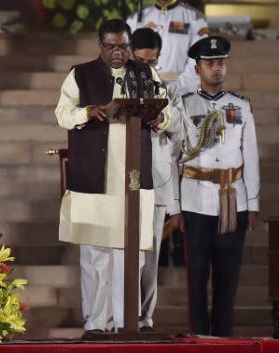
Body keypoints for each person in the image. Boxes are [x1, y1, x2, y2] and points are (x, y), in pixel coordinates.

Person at [55, 19, 171, 336]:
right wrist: (87, 112)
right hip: (95, 177)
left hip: (132, 177)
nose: (117, 53)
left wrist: (160, 117)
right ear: (100, 45)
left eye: (122, 46)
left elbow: (167, 109)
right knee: (95, 253)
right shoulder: (80, 74)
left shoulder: (145, 73)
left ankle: (125, 321)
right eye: (111, 46)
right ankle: (96, 323)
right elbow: (62, 113)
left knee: (129, 252)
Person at [180, 36, 259, 336]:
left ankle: (224, 338)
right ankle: (200, 337)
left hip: (232, 202)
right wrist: (175, 208)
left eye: (221, 62)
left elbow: (249, 156)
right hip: (196, 202)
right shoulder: (185, 106)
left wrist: (252, 205)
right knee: (197, 278)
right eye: (210, 63)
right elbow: (176, 157)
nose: (217, 68)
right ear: (197, 68)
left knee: (228, 278)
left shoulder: (240, 106)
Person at [131, 27, 185, 331]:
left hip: (158, 179)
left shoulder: (169, 88)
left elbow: (181, 126)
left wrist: (162, 119)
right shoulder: (118, 85)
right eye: (140, 61)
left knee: (150, 252)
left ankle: (145, 316)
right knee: (127, 253)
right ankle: (120, 313)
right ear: (130, 56)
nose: (146, 68)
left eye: (152, 62)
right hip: (124, 179)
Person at [126, 0, 210, 94]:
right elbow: (127, 59)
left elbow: (198, 60)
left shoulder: (194, 18)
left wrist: (174, 90)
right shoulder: (134, 19)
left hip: (180, 92)